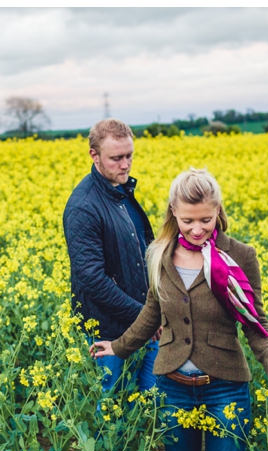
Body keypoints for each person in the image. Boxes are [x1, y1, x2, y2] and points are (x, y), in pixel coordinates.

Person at [89, 168, 268, 451]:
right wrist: (119, 347)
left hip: (225, 389)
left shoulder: (240, 256)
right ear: (174, 212)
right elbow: (151, 313)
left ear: (218, 211)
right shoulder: (160, 254)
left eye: (205, 220)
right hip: (174, 388)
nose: (197, 229)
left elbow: (255, 323)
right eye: (188, 221)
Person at [63, 118, 159, 394]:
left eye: (129, 156)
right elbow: (92, 279)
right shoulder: (84, 207)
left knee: (149, 403)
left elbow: (142, 251)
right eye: (116, 158)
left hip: (141, 322)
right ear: (94, 156)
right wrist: (144, 317)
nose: (126, 165)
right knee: (113, 408)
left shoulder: (120, 190)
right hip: (110, 329)